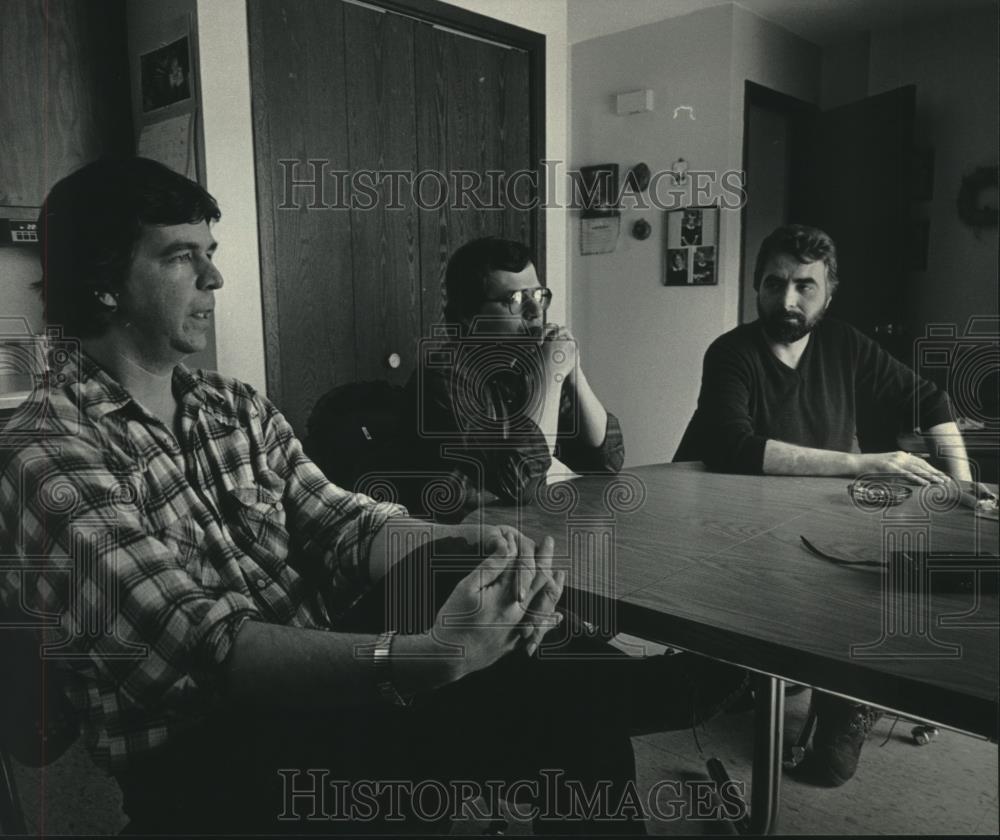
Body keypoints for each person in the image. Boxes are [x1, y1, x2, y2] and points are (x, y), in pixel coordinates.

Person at [0, 159, 652, 835]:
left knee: (552, 693)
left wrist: (465, 542)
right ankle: (631, 690)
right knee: (558, 706)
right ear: (103, 281)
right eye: (181, 257)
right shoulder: (41, 447)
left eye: (211, 255)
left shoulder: (234, 406)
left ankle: (606, 688)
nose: (214, 278)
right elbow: (200, 646)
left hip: (329, 693)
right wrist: (424, 658)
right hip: (209, 759)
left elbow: (349, 524)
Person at [678, 223, 974, 786]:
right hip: (738, 532)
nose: (786, 299)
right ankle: (771, 678)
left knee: (831, 766)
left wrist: (959, 485)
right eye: (774, 284)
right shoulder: (731, 354)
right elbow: (733, 446)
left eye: (803, 286)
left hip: (827, 526)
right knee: (728, 679)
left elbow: (930, 399)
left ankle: (845, 696)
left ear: (828, 292)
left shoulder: (844, 342)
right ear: (757, 287)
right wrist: (865, 462)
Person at [406, 237, 624, 521]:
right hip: (453, 544)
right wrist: (551, 376)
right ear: (470, 316)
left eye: (538, 296)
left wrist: (574, 372)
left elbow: (605, 461)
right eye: (517, 300)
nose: (536, 312)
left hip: (518, 531)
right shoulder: (442, 378)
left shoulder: (523, 369)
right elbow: (518, 484)